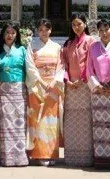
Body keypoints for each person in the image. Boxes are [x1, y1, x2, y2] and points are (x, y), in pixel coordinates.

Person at [25, 18, 64, 166]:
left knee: (50, 121)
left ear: (50, 30)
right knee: (36, 120)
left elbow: (61, 67)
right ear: (37, 31)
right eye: (40, 30)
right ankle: (37, 154)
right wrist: (40, 81)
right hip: (37, 87)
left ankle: (51, 153)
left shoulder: (56, 47)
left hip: (52, 87)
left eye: (46, 29)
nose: (43, 32)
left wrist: (54, 81)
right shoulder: (32, 45)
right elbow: (29, 65)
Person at [87, 19, 110, 169]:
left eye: (107, 30)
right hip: (99, 92)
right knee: (100, 126)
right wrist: (97, 86)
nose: (104, 33)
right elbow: (89, 69)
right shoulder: (93, 48)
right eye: (101, 30)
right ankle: (101, 159)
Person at [61, 13, 95, 167]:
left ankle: (86, 156)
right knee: (71, 118)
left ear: (85, 24)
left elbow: (89, 62)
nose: (76, 27)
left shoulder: (90, 41)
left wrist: (82, 79)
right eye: (74, 24)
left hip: (84, 86)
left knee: (85, 118)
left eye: (79, 24)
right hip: (71, 87)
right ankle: (72, 156)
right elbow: (64, 64)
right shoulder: (68, 44)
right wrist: (67, 80)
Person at [0, 21, 28, 167]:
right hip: (4, 90)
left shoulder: (22, 50)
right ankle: (7, 158)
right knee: (5, 124)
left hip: (19, 90)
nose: (10, 35)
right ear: (3, 34)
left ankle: (20, 157)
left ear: (17, 35)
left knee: (20, 123)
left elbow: (28, 70)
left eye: (13, 32)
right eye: (7, 32)